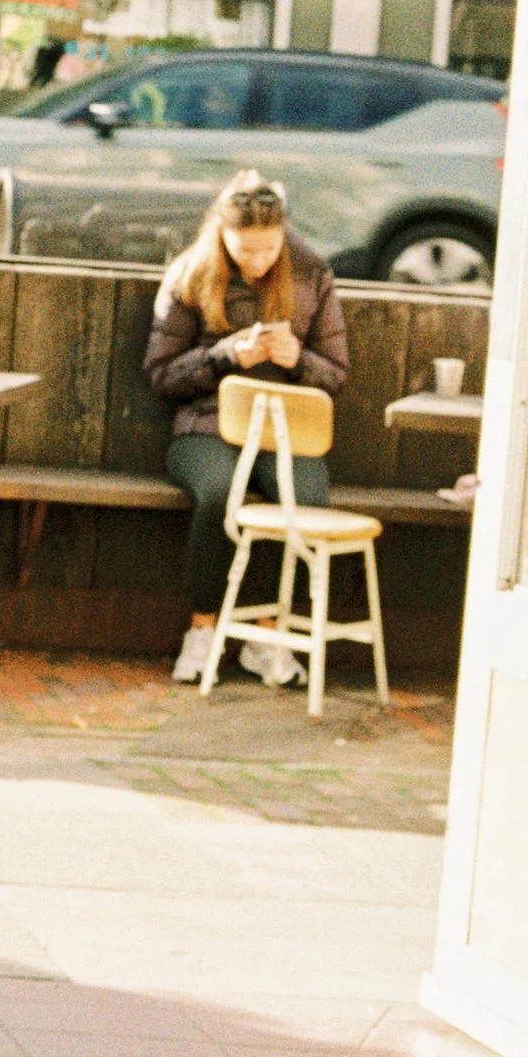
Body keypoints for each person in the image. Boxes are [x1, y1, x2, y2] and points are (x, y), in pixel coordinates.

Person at [144, 169, 351, 686]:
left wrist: (298, 359)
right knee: (219, 494)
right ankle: (203, 628)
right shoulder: (192, 274)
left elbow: (336, 373)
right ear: (222, 236)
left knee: (306, 499)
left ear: (283, 236)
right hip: (206, 426)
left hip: (287, 429)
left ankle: (268, 634)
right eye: (245, 250)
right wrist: (223, 356)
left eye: (268, 249)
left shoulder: (311, 273)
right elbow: (160, 374)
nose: (257, 261)